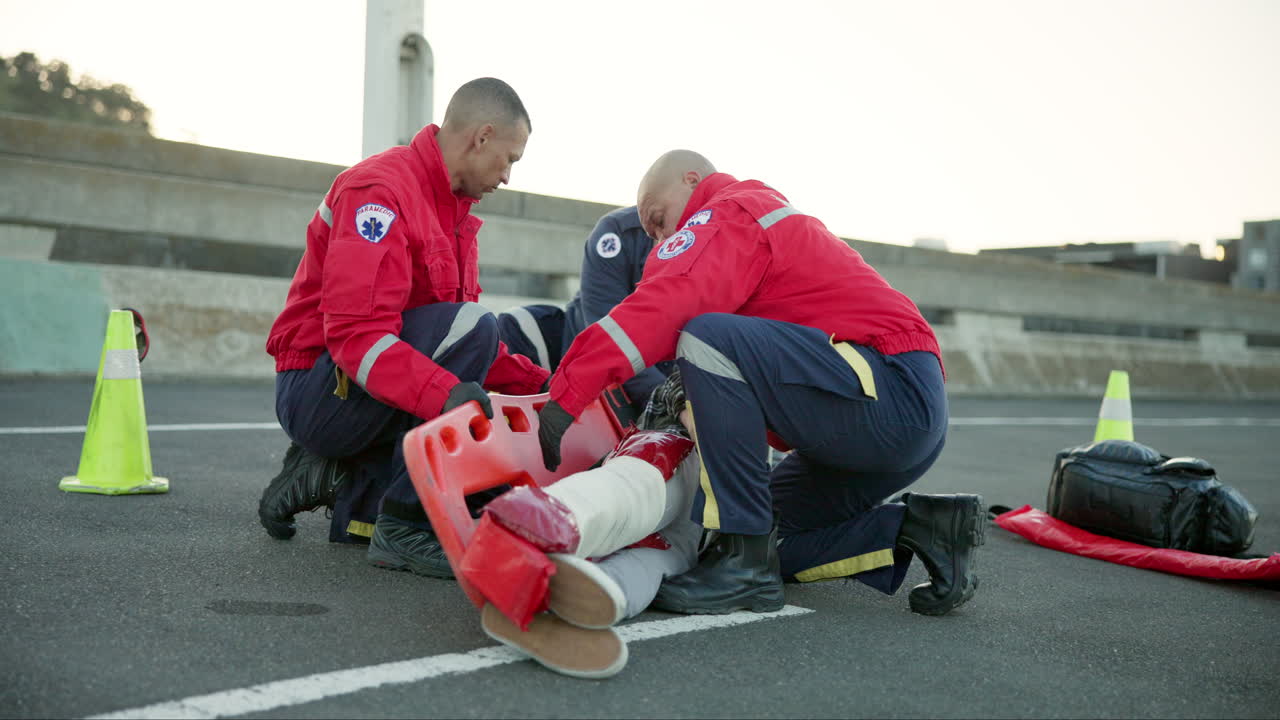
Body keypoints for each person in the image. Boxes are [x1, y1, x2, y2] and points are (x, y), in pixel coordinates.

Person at [536, 150, 985, 617]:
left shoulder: (731, 211)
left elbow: (668, 300)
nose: (660, 239)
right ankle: (923, 525)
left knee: (705, 336)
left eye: (659, 219)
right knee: (764, 534)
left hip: (890, 388)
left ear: (693, 180)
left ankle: (743, 571)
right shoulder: (760, 224)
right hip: (894, 409)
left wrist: (568, 391)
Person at [257, 78, 549, 578]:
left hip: (348, 388)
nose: (507, 177)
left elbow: (456, 341)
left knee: (473, 361)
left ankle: (341, 488)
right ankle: (406, 525)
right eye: (510, 159)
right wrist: (445, 395)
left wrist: (547, 387)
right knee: (470, 347)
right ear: (481, 136)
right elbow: (357, 338)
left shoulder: (453, 212)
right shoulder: (381, 191)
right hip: (318, 386)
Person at [496, 205, 672, 417]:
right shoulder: (620, 231)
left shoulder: (713, 242)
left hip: (669, 383)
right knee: (514, 324)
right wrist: (669, 402)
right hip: (602, 374)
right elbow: (607, 332)